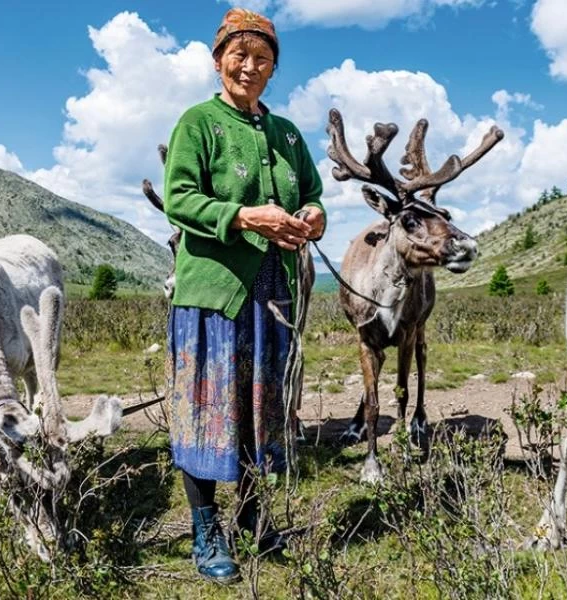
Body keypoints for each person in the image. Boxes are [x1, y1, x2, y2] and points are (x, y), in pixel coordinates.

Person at [162, 7, 325, 585]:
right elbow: (180, 197)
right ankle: (207, 531)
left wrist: (312, 216)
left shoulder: (285, 134)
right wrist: (243, 216)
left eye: (262, 59)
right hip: (214, 294)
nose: (250, 67)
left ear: (273, 68)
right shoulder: (198, 123)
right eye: (240, 56)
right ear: (218, 61)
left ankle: (255, 519)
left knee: (263, 411)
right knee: (206, 412)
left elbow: (312, 193)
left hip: (274, 291)